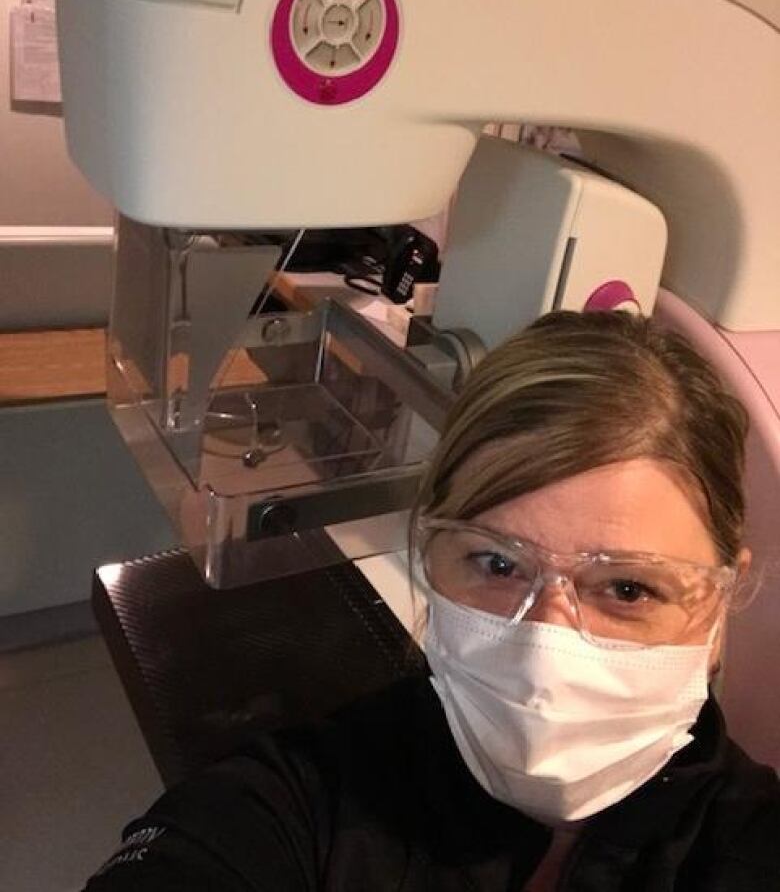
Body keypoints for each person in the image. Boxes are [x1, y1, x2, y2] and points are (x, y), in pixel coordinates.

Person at [83, 311, 780, 890]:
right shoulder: (300, 803)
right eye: (497, 562)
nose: (546, 647)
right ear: (429, 556)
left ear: (716, 610)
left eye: (628, 588)